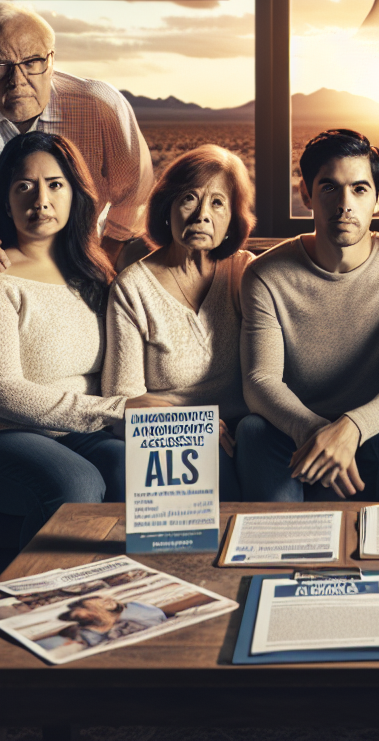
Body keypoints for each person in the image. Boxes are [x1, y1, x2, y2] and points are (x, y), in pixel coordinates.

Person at [0, 133, 157, 547]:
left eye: (55, 185)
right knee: (76, 482)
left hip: (67, 430)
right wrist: (117, 411)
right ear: (5, 201)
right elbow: (2, 393)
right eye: (24, 186)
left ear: (75, 196)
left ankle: (130, 579)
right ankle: (43, 590)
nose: (40, 200)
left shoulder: (95, 277)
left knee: (132, 464)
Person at [235, 129, 379, 501]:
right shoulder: (265, 276)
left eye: (360, 189)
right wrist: (317, 432)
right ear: (306, 194)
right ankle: (278, 537)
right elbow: (260, 381)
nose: (345, 204)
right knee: (253, 430)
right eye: (330, 187)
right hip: (297, 434)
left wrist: (351, 429)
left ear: (378, 199)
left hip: (376, 432)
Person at [0, 3, 154, 276]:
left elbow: (135, 193)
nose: (17, 81)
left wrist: (102, 260)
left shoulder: (100, 105)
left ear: (51, 61)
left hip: (79, 265)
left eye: (31, 63)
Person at [103, 146, 256, 501]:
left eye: (218, 203)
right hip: (171, 437)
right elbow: (123, 404)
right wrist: (197, 428)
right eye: (189, 198)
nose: (202, 215)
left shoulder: (243, 271)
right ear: (166, 207)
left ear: (233, 218)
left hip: (244, 430)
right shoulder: (133, 287)